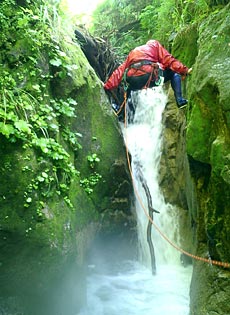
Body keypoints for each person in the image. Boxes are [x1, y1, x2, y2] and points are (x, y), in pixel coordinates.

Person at [104, 39, 192, 108]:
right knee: (174, 73)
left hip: (133, 80)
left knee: (129, 89)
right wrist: (184, 70)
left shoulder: (133, 52)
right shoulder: (155, 45)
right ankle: (180, 100)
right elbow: (168, 60)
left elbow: (120, 70)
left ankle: (120, 110)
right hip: (149, 75)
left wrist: (107, 86)